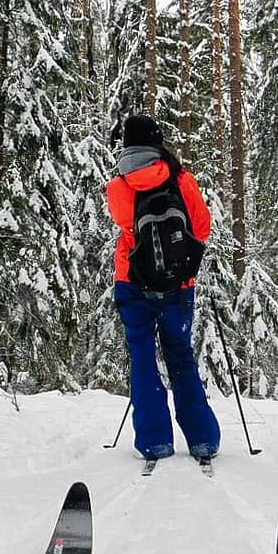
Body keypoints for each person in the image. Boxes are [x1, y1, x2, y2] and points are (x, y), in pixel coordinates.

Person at [106, 114, 221, 461]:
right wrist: (181, 262)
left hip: (132, 281)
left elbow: (127, 227)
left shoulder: (118, 186)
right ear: (157, 141)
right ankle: (202, 439)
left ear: (126, 145)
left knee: (142, 358)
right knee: (180, 356)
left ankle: (155, 441)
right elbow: (201, 227)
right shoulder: (180, 179)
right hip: (178, 284)